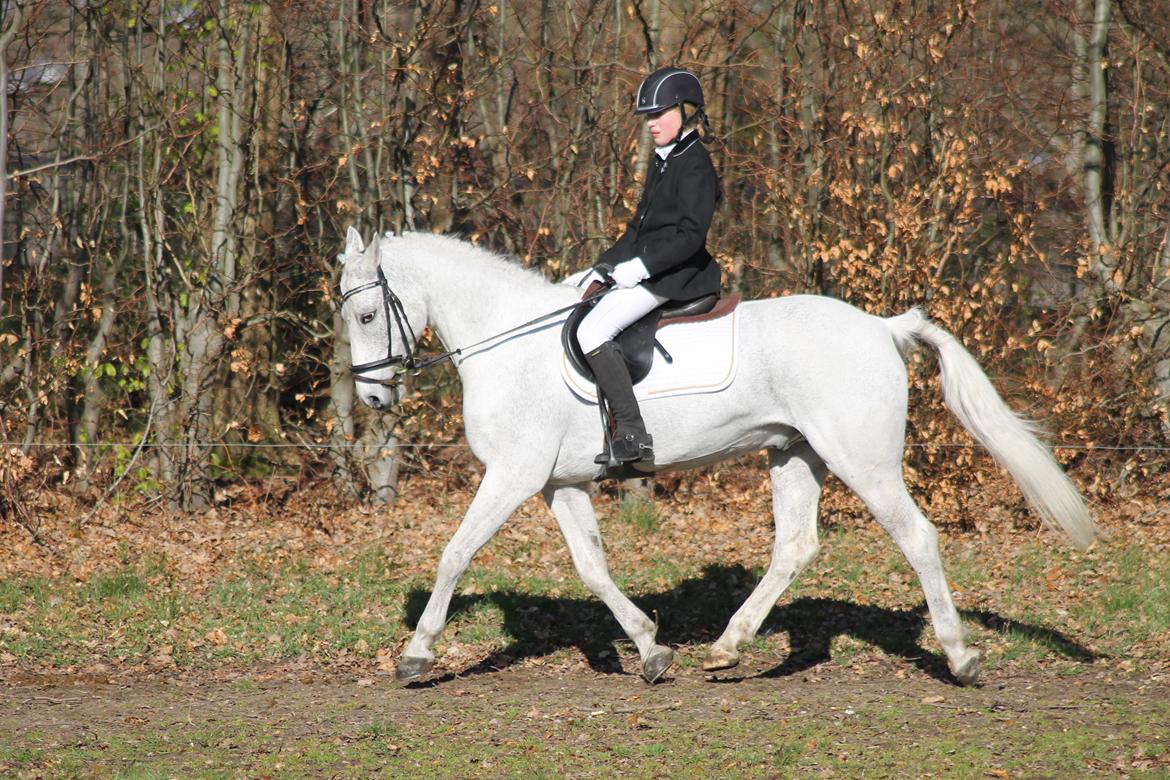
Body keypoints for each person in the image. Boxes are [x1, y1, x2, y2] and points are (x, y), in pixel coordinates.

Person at [577, 66, 722, 465]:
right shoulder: (665, 160)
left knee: (593, 331)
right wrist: (604, 267)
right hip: (654, 270)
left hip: (681, 277)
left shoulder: (695, 165)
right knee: (580, 304)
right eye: (648, 117)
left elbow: (690, 237)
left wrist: (640, 267)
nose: (652, 124)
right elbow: (638, 228)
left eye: (659, 114)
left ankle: (633, 436)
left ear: (686, 111)